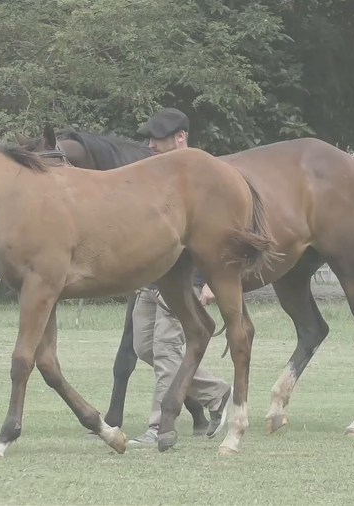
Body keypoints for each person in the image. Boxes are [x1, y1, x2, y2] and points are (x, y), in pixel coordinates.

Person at [127, 107, 232, 446]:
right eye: (149, 138)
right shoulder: (155, 175)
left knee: (167, 350)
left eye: (157, 138)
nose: (150, 144)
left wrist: (204, 282)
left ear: (180, 137)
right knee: (143, 347)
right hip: (151, 279)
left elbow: (212, 235)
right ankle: (218, 394)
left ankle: (159, 426)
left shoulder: (202, 178)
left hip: (182, 281)